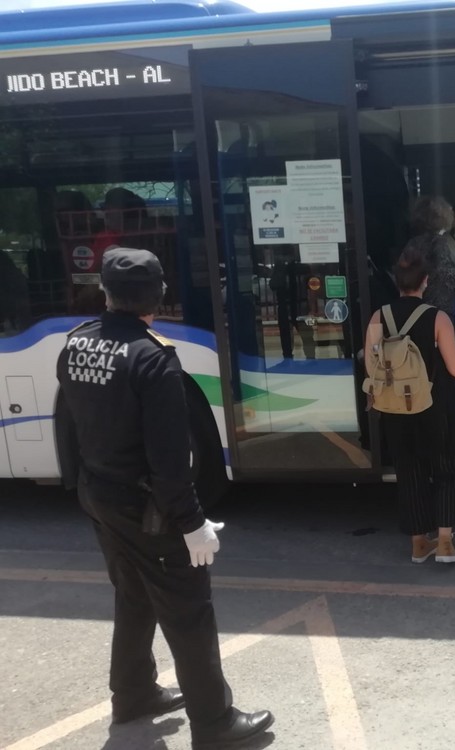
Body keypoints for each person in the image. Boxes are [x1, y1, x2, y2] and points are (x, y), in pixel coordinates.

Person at [55, 248, 274, 748]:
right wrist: (192, 523)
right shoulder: (153, 358)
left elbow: (71, 427)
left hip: (100, 498)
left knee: (133, 596)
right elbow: (172, 462)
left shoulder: (75, 344)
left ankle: (132, 694)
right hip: (149, 510)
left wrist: (80, 487)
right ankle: (215, 724)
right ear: (157, 297)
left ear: (104, 293)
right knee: (188, 610)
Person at [364, 235, 455, 564]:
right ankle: (446, 543)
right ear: (425, 281)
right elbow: (454, 367)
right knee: (447, 468)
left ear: (397, 281)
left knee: (409, 472)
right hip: (435, 406)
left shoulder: (378, 318)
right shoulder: (437, 318)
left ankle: (418, 545)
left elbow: (371, 365)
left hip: (394, 407)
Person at [409, 195, 455, 316]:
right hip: (439, 301)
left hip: (418, 300)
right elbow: (446, 269)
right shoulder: (438, 242)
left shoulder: (414, 242)